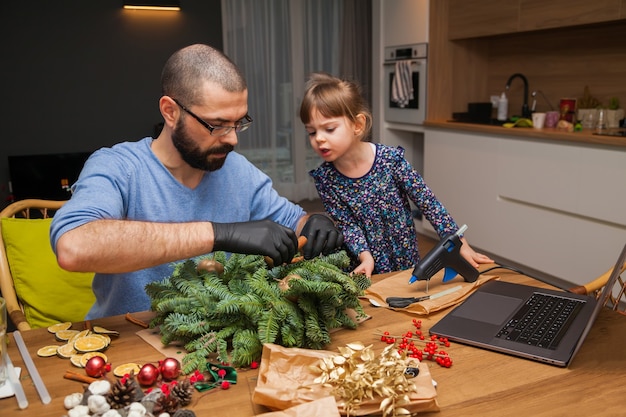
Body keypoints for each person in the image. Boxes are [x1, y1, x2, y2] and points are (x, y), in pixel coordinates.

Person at [50, 45, 342, 320]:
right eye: (217, 125)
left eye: (239, 122)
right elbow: (74, 246)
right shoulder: (119, 166)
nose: (232, 139)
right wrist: (218, 234)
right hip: (127, 345)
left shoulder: (238, 170)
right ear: (170, 111)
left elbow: (295, 222)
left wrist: (314, 224)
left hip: (215, 344)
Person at [300, 72, 493, 278]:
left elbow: (428, 202)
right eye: (312, 132)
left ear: (358, 125)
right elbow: (347, 225)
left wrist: (459, 242)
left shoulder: (390, 160)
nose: (318, 139)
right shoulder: (325, 178)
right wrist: (365, 257)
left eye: (329, 129)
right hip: (363, 263)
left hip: (403, 257)